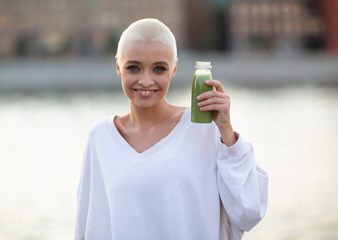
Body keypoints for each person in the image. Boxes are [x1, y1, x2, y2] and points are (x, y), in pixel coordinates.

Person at [75, 18, 268, 240]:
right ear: (118, 66)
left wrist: (226, 131)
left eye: (158, 69)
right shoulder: (100, 138)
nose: (146, 81)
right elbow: (86, 226)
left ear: (174, 68)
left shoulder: (206, 129)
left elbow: (249, 212)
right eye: (134, 67)